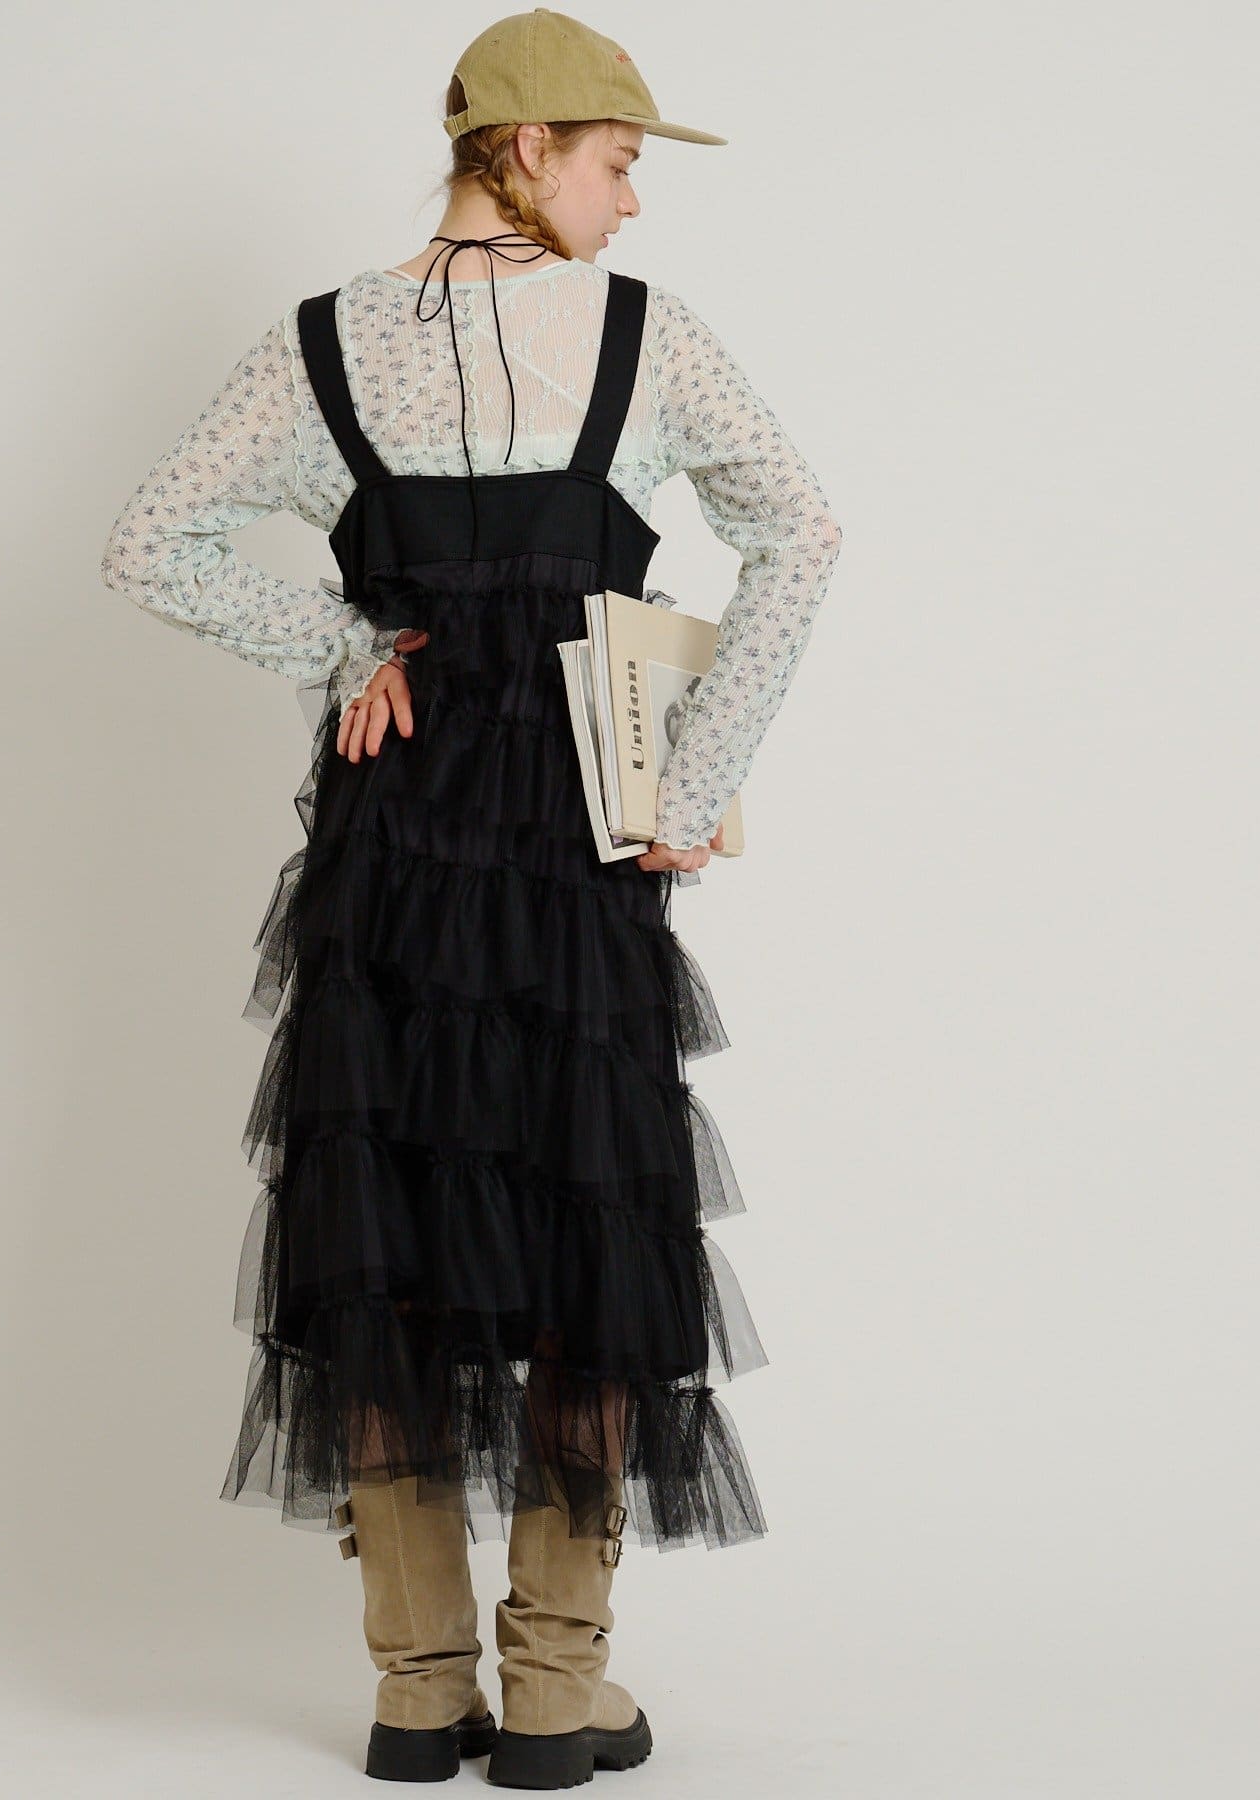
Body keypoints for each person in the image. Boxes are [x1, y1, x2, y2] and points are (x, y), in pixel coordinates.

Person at [98, 8, 843, 1786]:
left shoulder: (320, 346)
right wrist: (693, 782)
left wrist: (348, 644)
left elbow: (150, 538)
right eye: (617, 161)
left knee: (392, 1242)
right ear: (523, 151)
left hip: (396, 850)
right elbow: (804, 529)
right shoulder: (645, 338)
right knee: (593, 1231)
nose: (632, 202)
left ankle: (419, 1693)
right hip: (579, 850)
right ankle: (557, 1695)